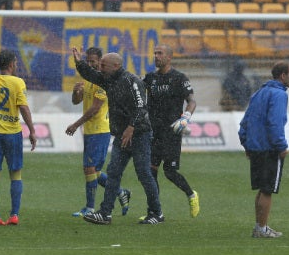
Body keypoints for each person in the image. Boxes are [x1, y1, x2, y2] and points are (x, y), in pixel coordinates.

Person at [72, 47, 163, 225]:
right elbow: (90, 74)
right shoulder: (108, 80)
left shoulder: (133, 81)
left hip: (139, 134)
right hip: (122, 135)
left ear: (115, 66)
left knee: (144, 173)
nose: (100, 68)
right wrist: (79, 62)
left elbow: (141, 107)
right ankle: (105, 213)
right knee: (113, 172)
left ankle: (156, 212)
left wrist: (131, 127)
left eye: (103, 65)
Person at [65, 47, 132, 218]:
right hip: (90, 130)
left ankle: (89, 207)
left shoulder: (103, 82)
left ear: (100, 61)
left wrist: (75, 124)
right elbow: (76, 101)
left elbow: (95, 108)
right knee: (93, 170)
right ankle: (120, 191)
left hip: (100, 130)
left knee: (89, 168)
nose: (90, 64)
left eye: (93, 61)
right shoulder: (88, 79)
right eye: (88, 61)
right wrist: (76, 92)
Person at [0, 49, 37, 226]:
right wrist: (32, 131)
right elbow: (24, 108)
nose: (17, 65)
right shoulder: (18, 83)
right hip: (13, 134)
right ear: (11, 64)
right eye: (16, 62)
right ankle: (14, 215)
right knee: (16, 174)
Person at [238, 61, 289, 239]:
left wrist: (246, 143)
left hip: (255, 147)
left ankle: (259, 227)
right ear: (283, 76)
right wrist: (281, 146)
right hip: (269, 148)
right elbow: (275, 122)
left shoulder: (259, 93)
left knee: (262, 189)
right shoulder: (279, 95)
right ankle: (261, 229)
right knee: (267, 189)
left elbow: (245, 121)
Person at [143, 44, 200, 218]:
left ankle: (191, 194)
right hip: (153, 131)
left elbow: (192, 101)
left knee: (169, 172)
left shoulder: (179, 78)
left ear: (169, 57)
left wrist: (185, 117)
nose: (156, 56)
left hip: (171, 132)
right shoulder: (150, 78)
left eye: (159, 53)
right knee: (151, 171)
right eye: (154, 53)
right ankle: (155, 212)